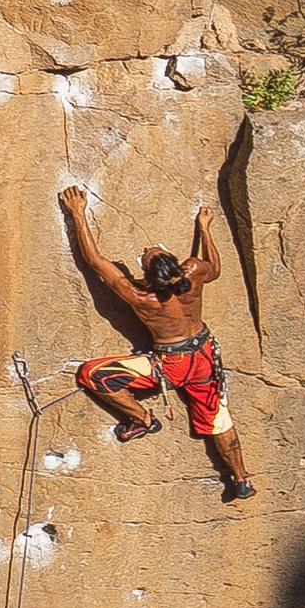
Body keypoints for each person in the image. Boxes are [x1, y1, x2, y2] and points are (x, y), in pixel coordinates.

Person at [58, 186, 254, 501]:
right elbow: (214, 268)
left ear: (149, 277)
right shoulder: (192, 273)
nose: (149, 248)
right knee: (220, 420)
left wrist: (77, 213)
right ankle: (241, 480)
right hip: (204, 357)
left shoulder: (142, 296)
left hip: (172, 365)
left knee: (93, 374)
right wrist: (205, 231)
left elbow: (95, 262)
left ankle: (142, 419)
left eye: (148, 255)